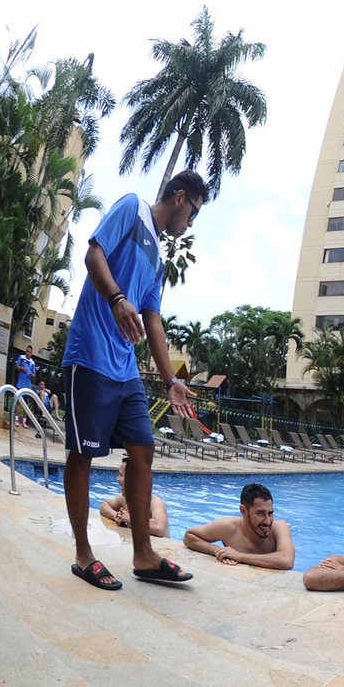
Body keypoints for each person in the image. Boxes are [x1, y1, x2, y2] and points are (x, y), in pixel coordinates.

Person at [62, 171, 208, 591]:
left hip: (126, 371)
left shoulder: (158, 260)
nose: (191, 222)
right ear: (179, 197)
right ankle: (83, 554)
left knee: (143, 449)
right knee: (82, 455)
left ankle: (143, 555)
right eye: (193, 211)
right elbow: (93, 255)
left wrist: (169, 381)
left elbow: (153, 320)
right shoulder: (132, 208)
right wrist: (116, 299)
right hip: (89, 356)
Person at [183, 483, 295, 570]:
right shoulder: (229, 528)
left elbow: (286, 561)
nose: (267, 521)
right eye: (260, 513)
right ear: (243, 510)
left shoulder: (279, 527)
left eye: (270, 513)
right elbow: (189, 536)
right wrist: (219, 551)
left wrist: (240, 556)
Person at [99, 457, 170, 538]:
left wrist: (131, 519)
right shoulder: (124, 499)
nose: (117, 478)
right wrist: (115, 515)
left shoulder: (155, 502)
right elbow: (104, 504)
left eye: (121, 475)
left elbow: (159, 528)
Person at [13, 345, 36, 428]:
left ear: (31, 353)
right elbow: (16, 367)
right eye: (27, 351)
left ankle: (24, 421)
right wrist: (22, 369)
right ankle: (16, 419)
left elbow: (34, 374)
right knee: (18, 402)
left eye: (29, 351)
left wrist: (31, 375)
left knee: (26, 404)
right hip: (20, 384)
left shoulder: (33, 362)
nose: (28, 353)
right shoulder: (21, 357)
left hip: (27, 385)